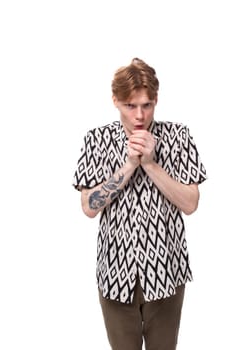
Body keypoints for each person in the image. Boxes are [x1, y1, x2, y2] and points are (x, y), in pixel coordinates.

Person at [72, 58, 207, 350]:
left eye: (147, 105)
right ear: (115, 101)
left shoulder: (178, 137)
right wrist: (129, 166)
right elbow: (89, 207)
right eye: (130, 106)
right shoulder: (96, 140)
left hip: (166, 271)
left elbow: (191, 203)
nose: (139, 115)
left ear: (156, 99)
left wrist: (150, 164)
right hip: (115, 273)